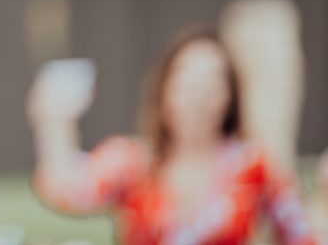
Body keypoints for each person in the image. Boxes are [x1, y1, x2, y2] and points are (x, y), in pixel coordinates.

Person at [28, 27, 317, 245]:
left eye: (212, 82)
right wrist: (53, 121)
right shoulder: (134, 162)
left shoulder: (252, 164)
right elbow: (67, 190)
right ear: (164, 91)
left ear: (230, 97)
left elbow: (301, 233)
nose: (199, 94)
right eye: (188, 81)